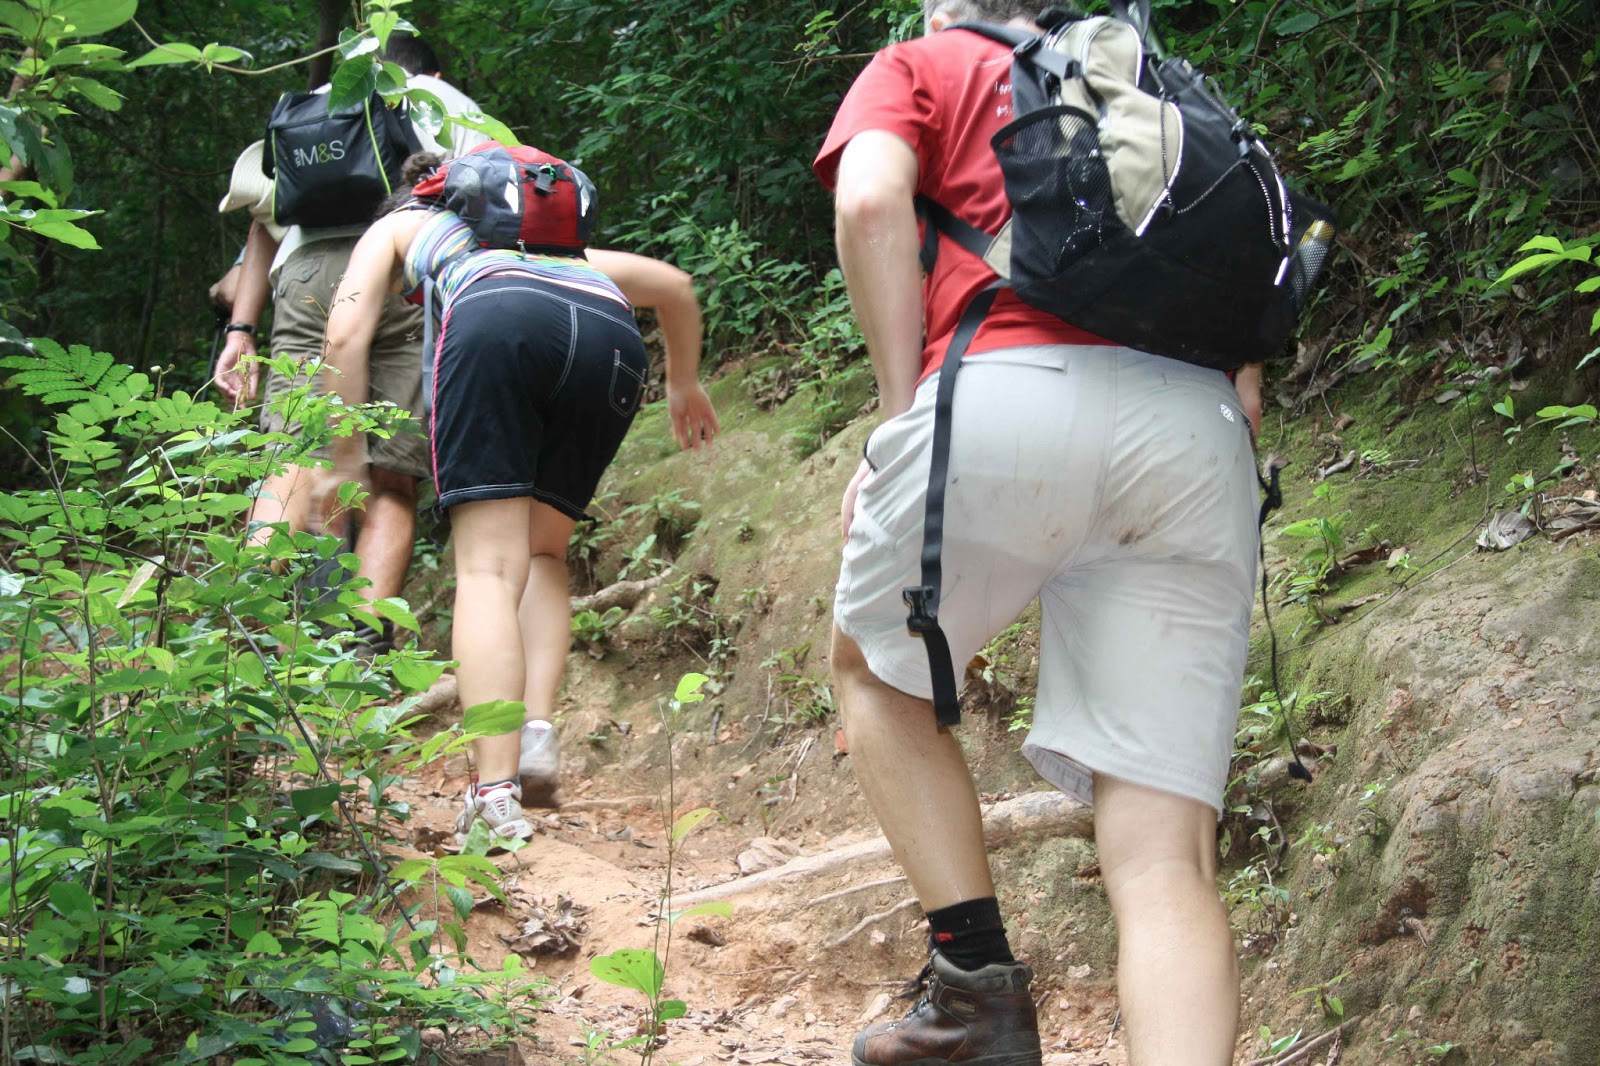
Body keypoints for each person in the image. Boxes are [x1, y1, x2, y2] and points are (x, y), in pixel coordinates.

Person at [814, 3, 1264, 1065]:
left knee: (875, 676)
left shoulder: (921, 62)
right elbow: (1249, 327)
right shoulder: (1156, 90)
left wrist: (895, 417)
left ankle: (975, 987)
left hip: (1001, 396)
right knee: (1163, 859)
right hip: (1195, 436)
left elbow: (871, 203)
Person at [316, 150, 719, 842]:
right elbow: (675, 285)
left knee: (487, 568)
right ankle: (534, 733)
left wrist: (345, 459)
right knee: (542, 556)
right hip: (609, 336)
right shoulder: (559, 250)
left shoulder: (404, 224)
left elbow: (344, 330)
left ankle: (494, 795)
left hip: (497, 323)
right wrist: (682, 381)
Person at [212, 32, 490, 654]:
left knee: (290, 454)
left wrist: (241, 330)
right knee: (390, 479)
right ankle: (357, 653)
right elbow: (489, 206)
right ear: (432, 68)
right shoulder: (447, 103)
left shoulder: (316, 104)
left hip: (305, 276)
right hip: (403, 274)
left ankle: (246, 638)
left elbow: (263, 220)